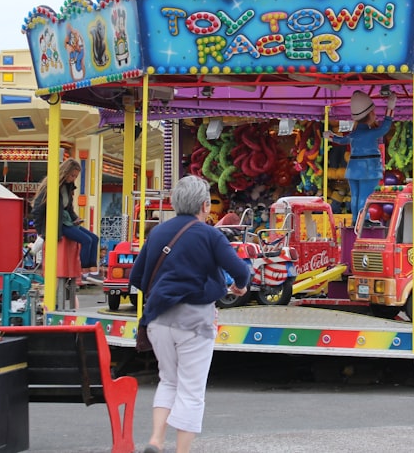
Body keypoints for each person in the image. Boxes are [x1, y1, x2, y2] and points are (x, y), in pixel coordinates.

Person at [129, 175, 251, 453]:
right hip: (195, 321)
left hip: (158, 320)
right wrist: (237, 288)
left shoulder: (157, 232)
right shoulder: (210, 235)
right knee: (192, 390)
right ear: (205, 205)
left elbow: (136, 277)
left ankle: (156, 440)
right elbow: (241, 271)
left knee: (168, 380)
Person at [324, 90, 396, 224]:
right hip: (368, 169)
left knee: (355, 195)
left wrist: (330, 136)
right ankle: (364, 219)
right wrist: (390, 109)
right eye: (373, 112)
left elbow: (342, 140)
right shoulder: (371, 133)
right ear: (369, 115)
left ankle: (355, 219)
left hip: (353, 168)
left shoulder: (354, 135)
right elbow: (385, 128)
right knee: (366, 195)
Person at [30, 158, 102, 284]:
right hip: (58, 224)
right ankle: (84, 271)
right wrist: (42, 231)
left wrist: (75, 218)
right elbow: (37, 209)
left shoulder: (67, 188)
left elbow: (68, 208)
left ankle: (93, 270)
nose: (74, 178)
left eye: (76, 176)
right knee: (86, 240)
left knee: (94, 238)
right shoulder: (50, 187)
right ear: (65, 172)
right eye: (72, 175)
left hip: (67, 221)